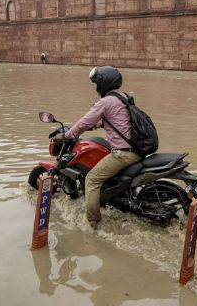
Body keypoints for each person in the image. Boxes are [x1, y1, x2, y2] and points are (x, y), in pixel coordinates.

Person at [53, 66, 141, 229]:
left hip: (124, 153)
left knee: (92, 180)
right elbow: (120, 121)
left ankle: (93, 222)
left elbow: (84, 122)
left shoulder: (105, 102)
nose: (96, 87)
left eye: (96, 83)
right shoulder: (123, 97)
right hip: (137, 150)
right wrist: (100, 124)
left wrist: (66, 135)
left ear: (103, 83)